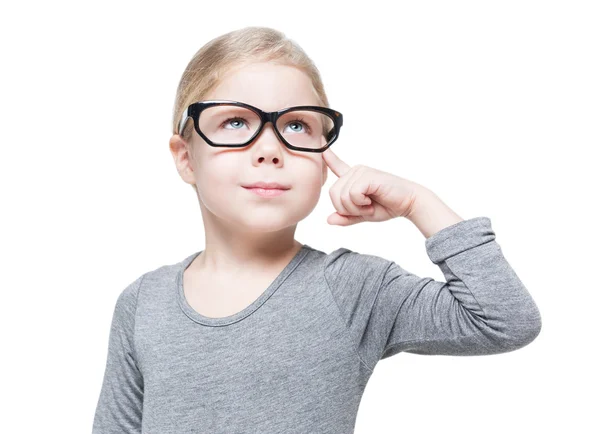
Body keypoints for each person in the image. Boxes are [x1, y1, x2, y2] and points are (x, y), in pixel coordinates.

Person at [92, 26, 542, 434]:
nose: (269, 149)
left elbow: (505, 321)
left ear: (324, 158)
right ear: (186, 157)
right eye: (235, 122)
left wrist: (416, 203)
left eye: (296, 125)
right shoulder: (142, 304)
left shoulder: (353, 288)